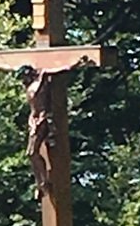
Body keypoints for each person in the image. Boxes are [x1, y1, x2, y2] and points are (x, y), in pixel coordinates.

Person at [15, 59, 88, 199]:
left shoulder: (39, 82)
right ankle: (41, 182)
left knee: (31, 153)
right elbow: (8, 66)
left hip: (42, 120)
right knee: (31, 154)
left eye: (23, 77)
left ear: (29, 74)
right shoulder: (29, 86)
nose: (22, 81)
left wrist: (75, 64)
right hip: (33, 120)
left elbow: (56, 70)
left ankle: (43, 182)